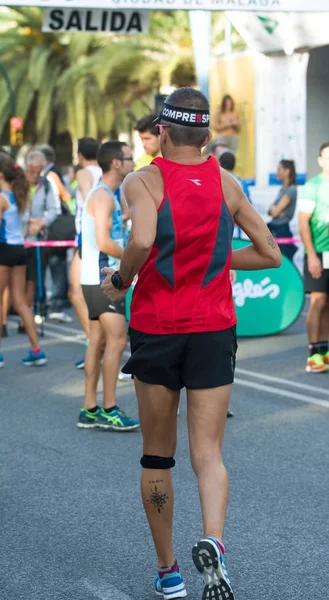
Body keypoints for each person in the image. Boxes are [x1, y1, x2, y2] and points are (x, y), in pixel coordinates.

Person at [101, 87, 281, 600]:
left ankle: (169, 573)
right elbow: (269, 253)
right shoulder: (226, 182)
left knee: (158, 457)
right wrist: (218, 259)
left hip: (158, 330)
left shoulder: (144, 179)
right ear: (206, 135)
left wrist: (121, 279)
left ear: (161, 130)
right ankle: (215, 542)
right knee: (210, 452)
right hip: (213, 330)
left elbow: (139, 239)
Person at [77, 141, 139, 431]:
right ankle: (110, 408)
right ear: (116, 163)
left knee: (98, 341)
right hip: (102, 278)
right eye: (129, 158)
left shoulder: (107, 195)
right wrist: (132, 257)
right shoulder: (103, 197)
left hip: (93, 277)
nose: (133, 163)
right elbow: (103, 241)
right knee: (116, 341)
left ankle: (89, 408)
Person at [0, 153, 47, 367]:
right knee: (20, 301)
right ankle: (37, 350)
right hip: (20, 249)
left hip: (4, 250)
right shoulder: (18, 194)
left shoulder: (1, 197)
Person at [68, 137, 101, 369]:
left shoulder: (83, 173)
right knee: (94, 295)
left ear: (79, 155)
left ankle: (95, 344)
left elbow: (90, 198)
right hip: (98, 238)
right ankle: (97, 343)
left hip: (88, 240)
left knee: (76, 292)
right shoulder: (105, 170)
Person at [18, 150, 59, 334]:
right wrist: (28, 221)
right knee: (15, 282)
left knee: (32, 281)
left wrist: (42, 222)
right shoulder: (16, 183)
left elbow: (54, 209)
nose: (35, 174)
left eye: (39, 170)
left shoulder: (47, 184)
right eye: (32, 170)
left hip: (37, 240)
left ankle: (23, 319)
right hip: (16, 239)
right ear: (26, 166)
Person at [299, 142, 329, 374]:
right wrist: (311, 256)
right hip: (318, 252)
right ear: (320, 160)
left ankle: (324, 351)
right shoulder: (313, 187)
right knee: (317, 301)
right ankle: (313, 355)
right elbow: (303, 223)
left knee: (327, 303)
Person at [39, 144, 72, 320]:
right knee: (54, 262)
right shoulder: (50, 173)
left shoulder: (51, 174)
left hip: (58, 225)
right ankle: (57, 298)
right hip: (54, 225)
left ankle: (59, 299)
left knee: (56, 262)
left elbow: (65, 195)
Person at [268, 160, 298, 262]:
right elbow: (271, 211)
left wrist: (275, 210)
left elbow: (274, 212)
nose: (277, 172)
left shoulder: (291, 189)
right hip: (274, 229)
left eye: (279, 169)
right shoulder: (283, 189)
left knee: (283, 260)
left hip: (282, 231)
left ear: (287, 171)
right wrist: (274, 210)